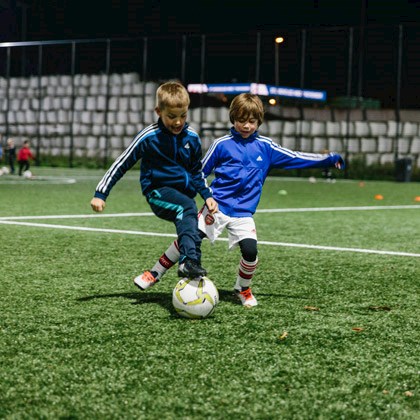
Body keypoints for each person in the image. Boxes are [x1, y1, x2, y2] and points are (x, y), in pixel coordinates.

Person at [135, 93, 345, 307]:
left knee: (250, 251)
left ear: (258, 122)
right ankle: (154, 273)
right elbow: (199, 172)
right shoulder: (221, 145)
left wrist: (328, 160)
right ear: (233, 118)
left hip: (244, 212)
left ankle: (242, 288)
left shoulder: (267, 147)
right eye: (241, 120)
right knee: (190, 237)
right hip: (217, 206)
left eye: (251, 122)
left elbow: (296, 157)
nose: (246, 126)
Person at [90, 81, 218, 285]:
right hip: (158, 192)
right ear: (159, 111)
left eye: (183, 116)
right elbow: (122, 162)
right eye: (172, 117)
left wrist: (207, 195)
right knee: (186, 209)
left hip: (185, 194)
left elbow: (196, 171)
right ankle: (187, 262)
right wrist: (101, 193)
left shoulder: (192, 137)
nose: (178, 122)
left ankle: (185, 279)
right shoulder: (149, 137)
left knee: (192, 230)